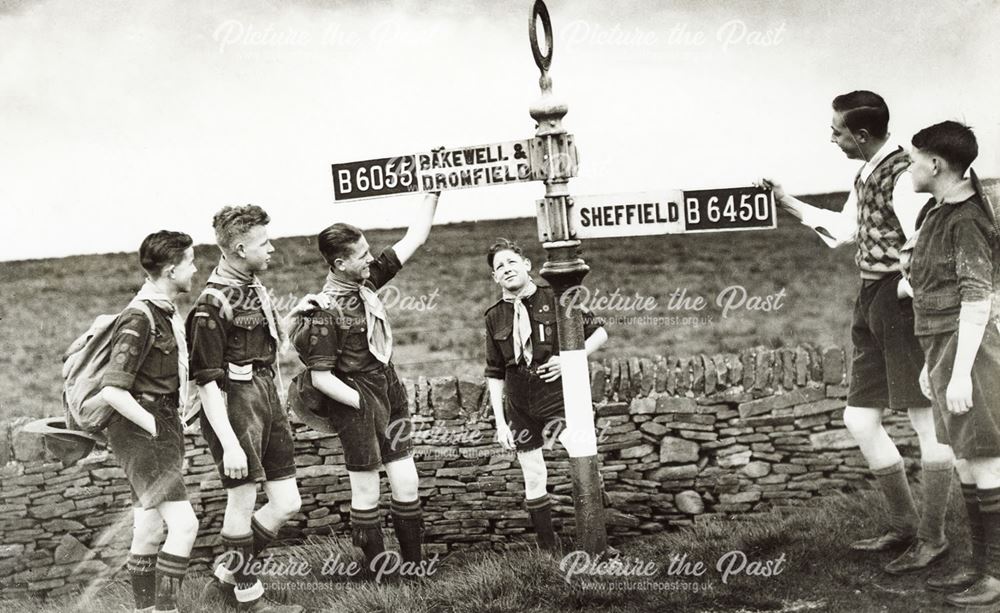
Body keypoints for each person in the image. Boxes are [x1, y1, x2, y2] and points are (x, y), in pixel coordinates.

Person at [758, 90, 955, 574]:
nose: (832, 137)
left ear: (861, 134)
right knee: (859, 419)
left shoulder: (903, 175)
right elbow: (848, 228)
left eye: (837, 130)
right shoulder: (867, 171)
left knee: (926, 421)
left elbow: (925, 245)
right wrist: (787, 203)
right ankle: (904, 524)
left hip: (902, 302)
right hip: (870, 299)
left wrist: (913, 301)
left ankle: (933, 537)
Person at [290, 192, 439, 578]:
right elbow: (321, 378)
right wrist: (361, 403)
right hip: (353, 398)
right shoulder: (323, 311)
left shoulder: (368, 279)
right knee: (367, 491)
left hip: (388, 386)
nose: (371, 258)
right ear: (340, 263)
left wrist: (432, 190)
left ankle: (413, 570)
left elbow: (416, 238)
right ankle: (380, 576)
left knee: (407, 481)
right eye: (362, 254)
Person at [189, 205, 314, 612]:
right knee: (241, 503)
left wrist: (296, 313)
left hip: (265, 395)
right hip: (233, 406)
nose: (272, 248)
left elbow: (263, 343)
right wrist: (230, 444)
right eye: (264, 243)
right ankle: (250, 600)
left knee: (287, 502)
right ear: (240, 248)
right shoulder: (211, 304)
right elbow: (205, 383)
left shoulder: (251, 286)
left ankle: (225, 580)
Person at [906, 121, 1000, 607]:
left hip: (972, 352)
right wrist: (934, 365)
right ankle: (980, 567)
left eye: (914, 158)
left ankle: (996, 576)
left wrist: (960, 371)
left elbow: (977, 299)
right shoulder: (938, 213)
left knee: (986, 458)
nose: (910, 165)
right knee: (965, 457)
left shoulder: (966, 220)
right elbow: (932, 291)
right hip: (944, 348)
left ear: (937, 164)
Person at [483, 238, 608, 551]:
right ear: (495, 278)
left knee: (580, 453)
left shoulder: (556, 297)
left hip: (556, 396)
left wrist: (568, 360)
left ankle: (597, 540)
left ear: (526, 265)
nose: (506, 269)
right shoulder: (494, 316)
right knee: (534, 475)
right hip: (519, 402)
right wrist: (500, 422)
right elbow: (495, 372)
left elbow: (600, 333)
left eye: (512, 262)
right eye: (499, 267)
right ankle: (547, 550)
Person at [100, 230, 200, 613]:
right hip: (144, 430)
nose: (194, 269)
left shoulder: (162, 311)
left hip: (157, 422)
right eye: (190, 262)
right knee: (184, 525)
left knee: (149, 526)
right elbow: (113, 390)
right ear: (172, 270)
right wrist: (155, 426)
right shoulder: (140, 317)